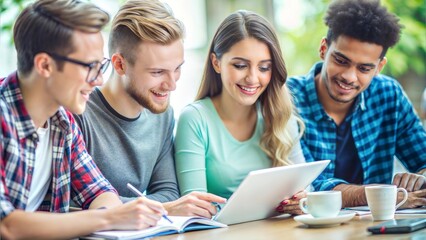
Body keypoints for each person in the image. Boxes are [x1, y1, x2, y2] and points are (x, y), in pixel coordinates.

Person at [0, 0, 167, 239]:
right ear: (45, 65)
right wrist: (110, 217)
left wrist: (115, 213)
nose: (99, 80)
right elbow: (6, 225)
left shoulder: (63, 122)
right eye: (90, 66)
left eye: (101, 66)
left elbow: (99, 192)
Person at [74, 0, 226, 219]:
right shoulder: (79, 115)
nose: (172, 84)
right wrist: (165, 209)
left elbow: (168, 193)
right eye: (157, 72)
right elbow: (76, 201)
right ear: (119, 65)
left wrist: (159, 206)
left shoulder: (163, 116)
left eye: (177, 69)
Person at [286, 0, 426, 209]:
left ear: (379, 67)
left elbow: (422, 157)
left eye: (364, 68)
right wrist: (384, 196)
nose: (349, 77)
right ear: (324, 49)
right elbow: (312, 189)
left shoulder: (388, 95)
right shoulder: (287, 98)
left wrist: (421, 177)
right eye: (341, 61)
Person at [174, 10, 306, 215]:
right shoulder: (195, 119)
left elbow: (306, 191)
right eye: (241, 65)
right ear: (216, 63)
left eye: (264, 68)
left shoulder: (280, 114)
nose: (253, 78)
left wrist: (302, 201)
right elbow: (194, 208)